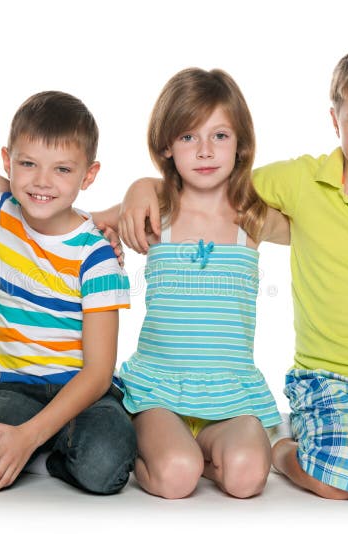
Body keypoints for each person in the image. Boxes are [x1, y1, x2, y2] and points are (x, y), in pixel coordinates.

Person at [120, 43, 348, 499]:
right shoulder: (297, 185)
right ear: (337, 121)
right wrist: (142, 186)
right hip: (297, 379)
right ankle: (331, 451)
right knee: (329, 481)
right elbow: (197, 188)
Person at [95, 68, 291, 499]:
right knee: (177, 477)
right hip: (159, 391)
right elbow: (67, 221)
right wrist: (137, 189)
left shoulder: (254, 218)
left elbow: (332, 219)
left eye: (219, 136)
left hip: (231, 394)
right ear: (166, 145)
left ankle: (205, 452)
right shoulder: (154, 211)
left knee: (246, 478)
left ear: (240, 144)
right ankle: (166, 450)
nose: (205, 151)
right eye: (188, 137)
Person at [0, 90, 136, 495]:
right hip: (18, 388)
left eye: (62, 169)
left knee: (104, 467)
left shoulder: (96, 255)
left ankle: (40, 448)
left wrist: (28, 435)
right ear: (8, 162)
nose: (41, 181)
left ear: (88, 176)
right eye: (28, 164)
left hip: (85, 393)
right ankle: (34, 443)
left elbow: (97, 372)